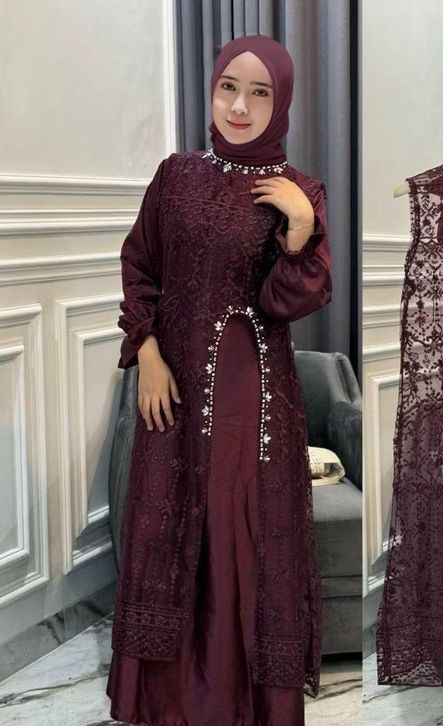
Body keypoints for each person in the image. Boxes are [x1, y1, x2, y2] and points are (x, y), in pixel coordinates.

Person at [106, 35, 332, 725]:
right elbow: (141, 266)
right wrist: (145, 353)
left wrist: (300, 225)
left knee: (238, 531)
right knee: (168, 524)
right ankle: (168, 705)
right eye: (229, 87)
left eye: (260, 93)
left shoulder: (300, 190)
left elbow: (289, 301)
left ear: (281, 102)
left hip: (251, 394)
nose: (239, 106)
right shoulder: (175, 174)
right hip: (171, 389)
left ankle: (240, 706)